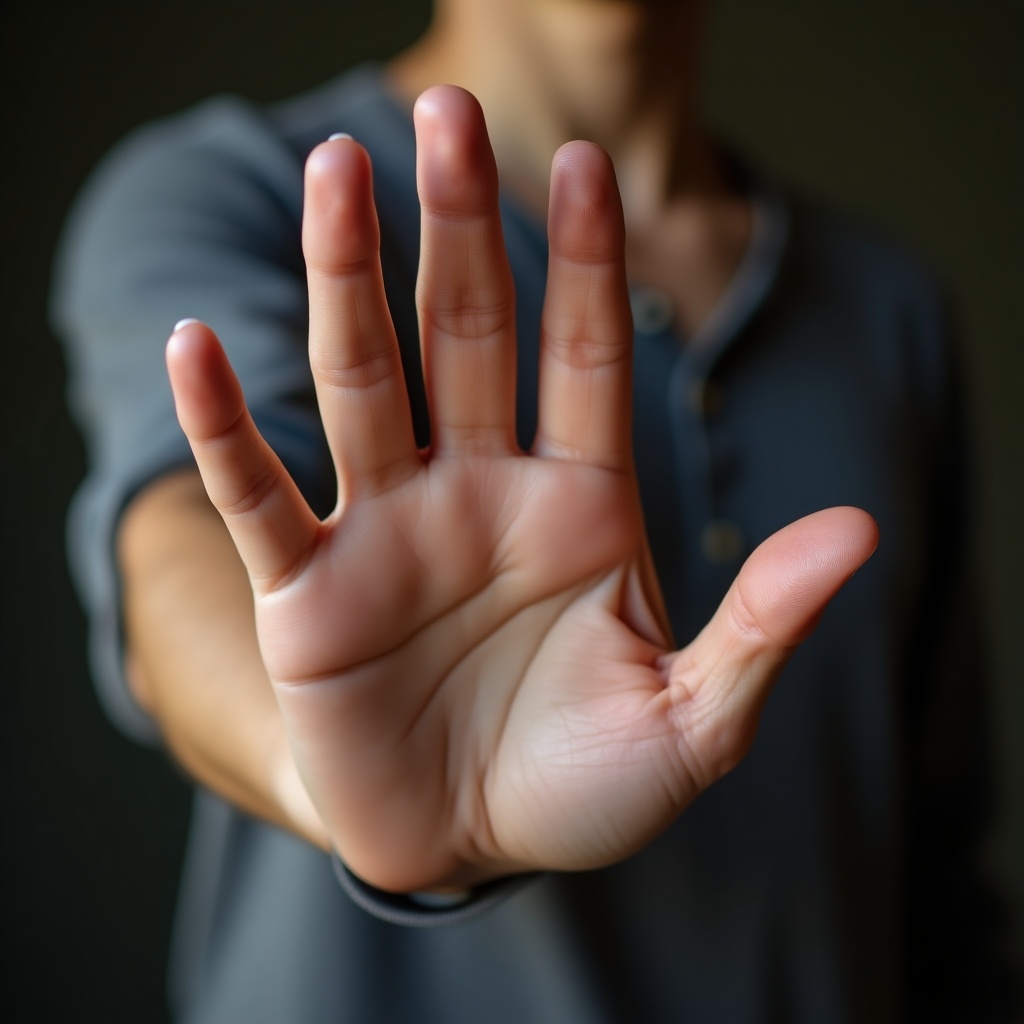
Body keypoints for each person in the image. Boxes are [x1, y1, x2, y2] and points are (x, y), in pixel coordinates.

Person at [52, 1, 1019, 1020]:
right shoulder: (228, 195)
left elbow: (938, 886)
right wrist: (319, 772)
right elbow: (176, 544)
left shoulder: (889, 312)